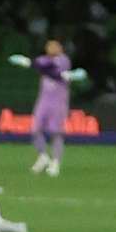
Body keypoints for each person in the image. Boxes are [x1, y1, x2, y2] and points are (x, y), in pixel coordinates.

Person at [31, 35, 77, 176]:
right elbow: (39, 64)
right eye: (48, 46)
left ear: (60, 48)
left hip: (58, 102)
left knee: (56, 133)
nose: (50, 48)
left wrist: (30, 64)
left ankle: (55, 162)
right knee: (34, 129)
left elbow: (53, 72)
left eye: (54, 46)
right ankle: (43, 156)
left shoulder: (63, 60)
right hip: (43, 100)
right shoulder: (43, 59)